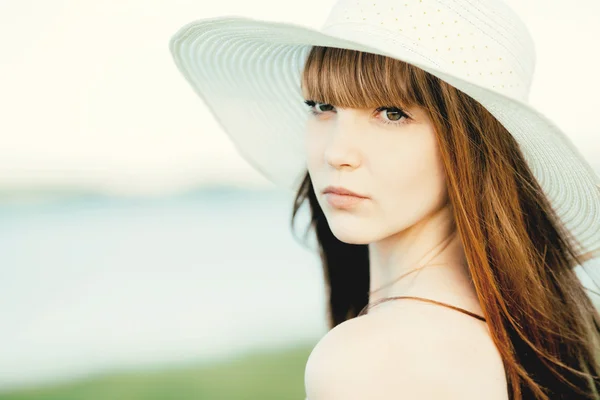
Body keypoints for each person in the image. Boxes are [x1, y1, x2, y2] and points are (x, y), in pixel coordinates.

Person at [168, 0, 600, 398]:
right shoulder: (506, 337)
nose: (337, 152)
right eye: (322, 105)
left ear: (470, 147)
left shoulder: (374, 357)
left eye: (392, 113)